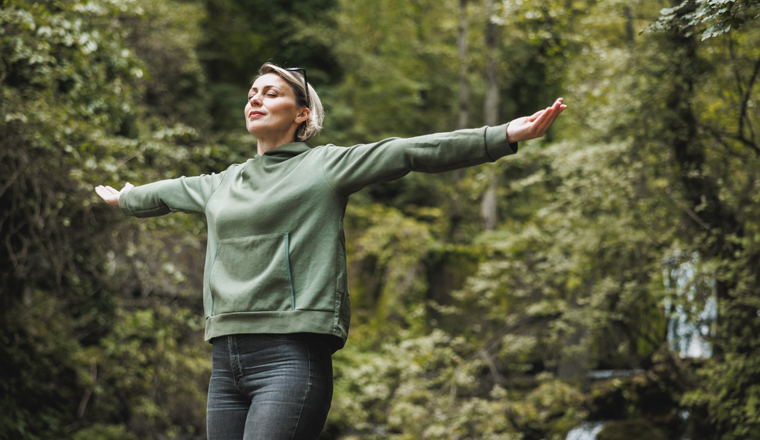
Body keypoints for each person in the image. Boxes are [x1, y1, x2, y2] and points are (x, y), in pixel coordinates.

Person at [95, 62, 566, 440]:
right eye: (252, 94)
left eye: (271, 93)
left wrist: (502, 135)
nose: (255, 99)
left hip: (290, 357)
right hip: (225, 363)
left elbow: (410, 152)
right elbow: (165, 192)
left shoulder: (326, 166)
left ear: (303, 114)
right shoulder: (221, 183)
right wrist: (125, 198)